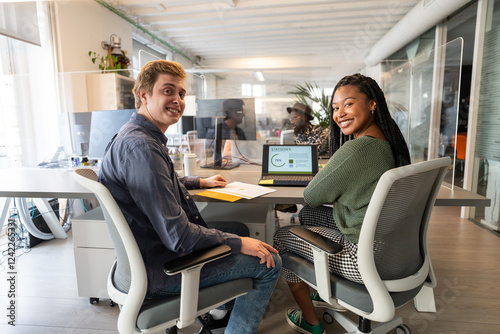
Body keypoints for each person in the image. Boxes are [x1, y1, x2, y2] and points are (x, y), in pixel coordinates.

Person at [99, 60, 281, 334]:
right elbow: (179, 236)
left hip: (149, 254)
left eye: (181, 93)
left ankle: (220, 311)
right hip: (164, 269)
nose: (177, 100)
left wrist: (200, 181)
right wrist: (239, 244)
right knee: (269, 262)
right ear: (144, 95)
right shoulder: (143, 148)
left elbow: (151, 182)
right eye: (168, 91)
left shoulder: (134, 137)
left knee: (238, 229)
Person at [273, 73, 411, 334]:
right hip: (392, 247)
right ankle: (320, 290)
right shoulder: (387, 141)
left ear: (372, 104)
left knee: (281, 237)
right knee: (309, 216)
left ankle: (312, 323)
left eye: (348, 104)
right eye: (335, 108)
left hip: (364, 258)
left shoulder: (357, 149)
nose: (339, 114)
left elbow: (311, 195)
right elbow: (314, 206)